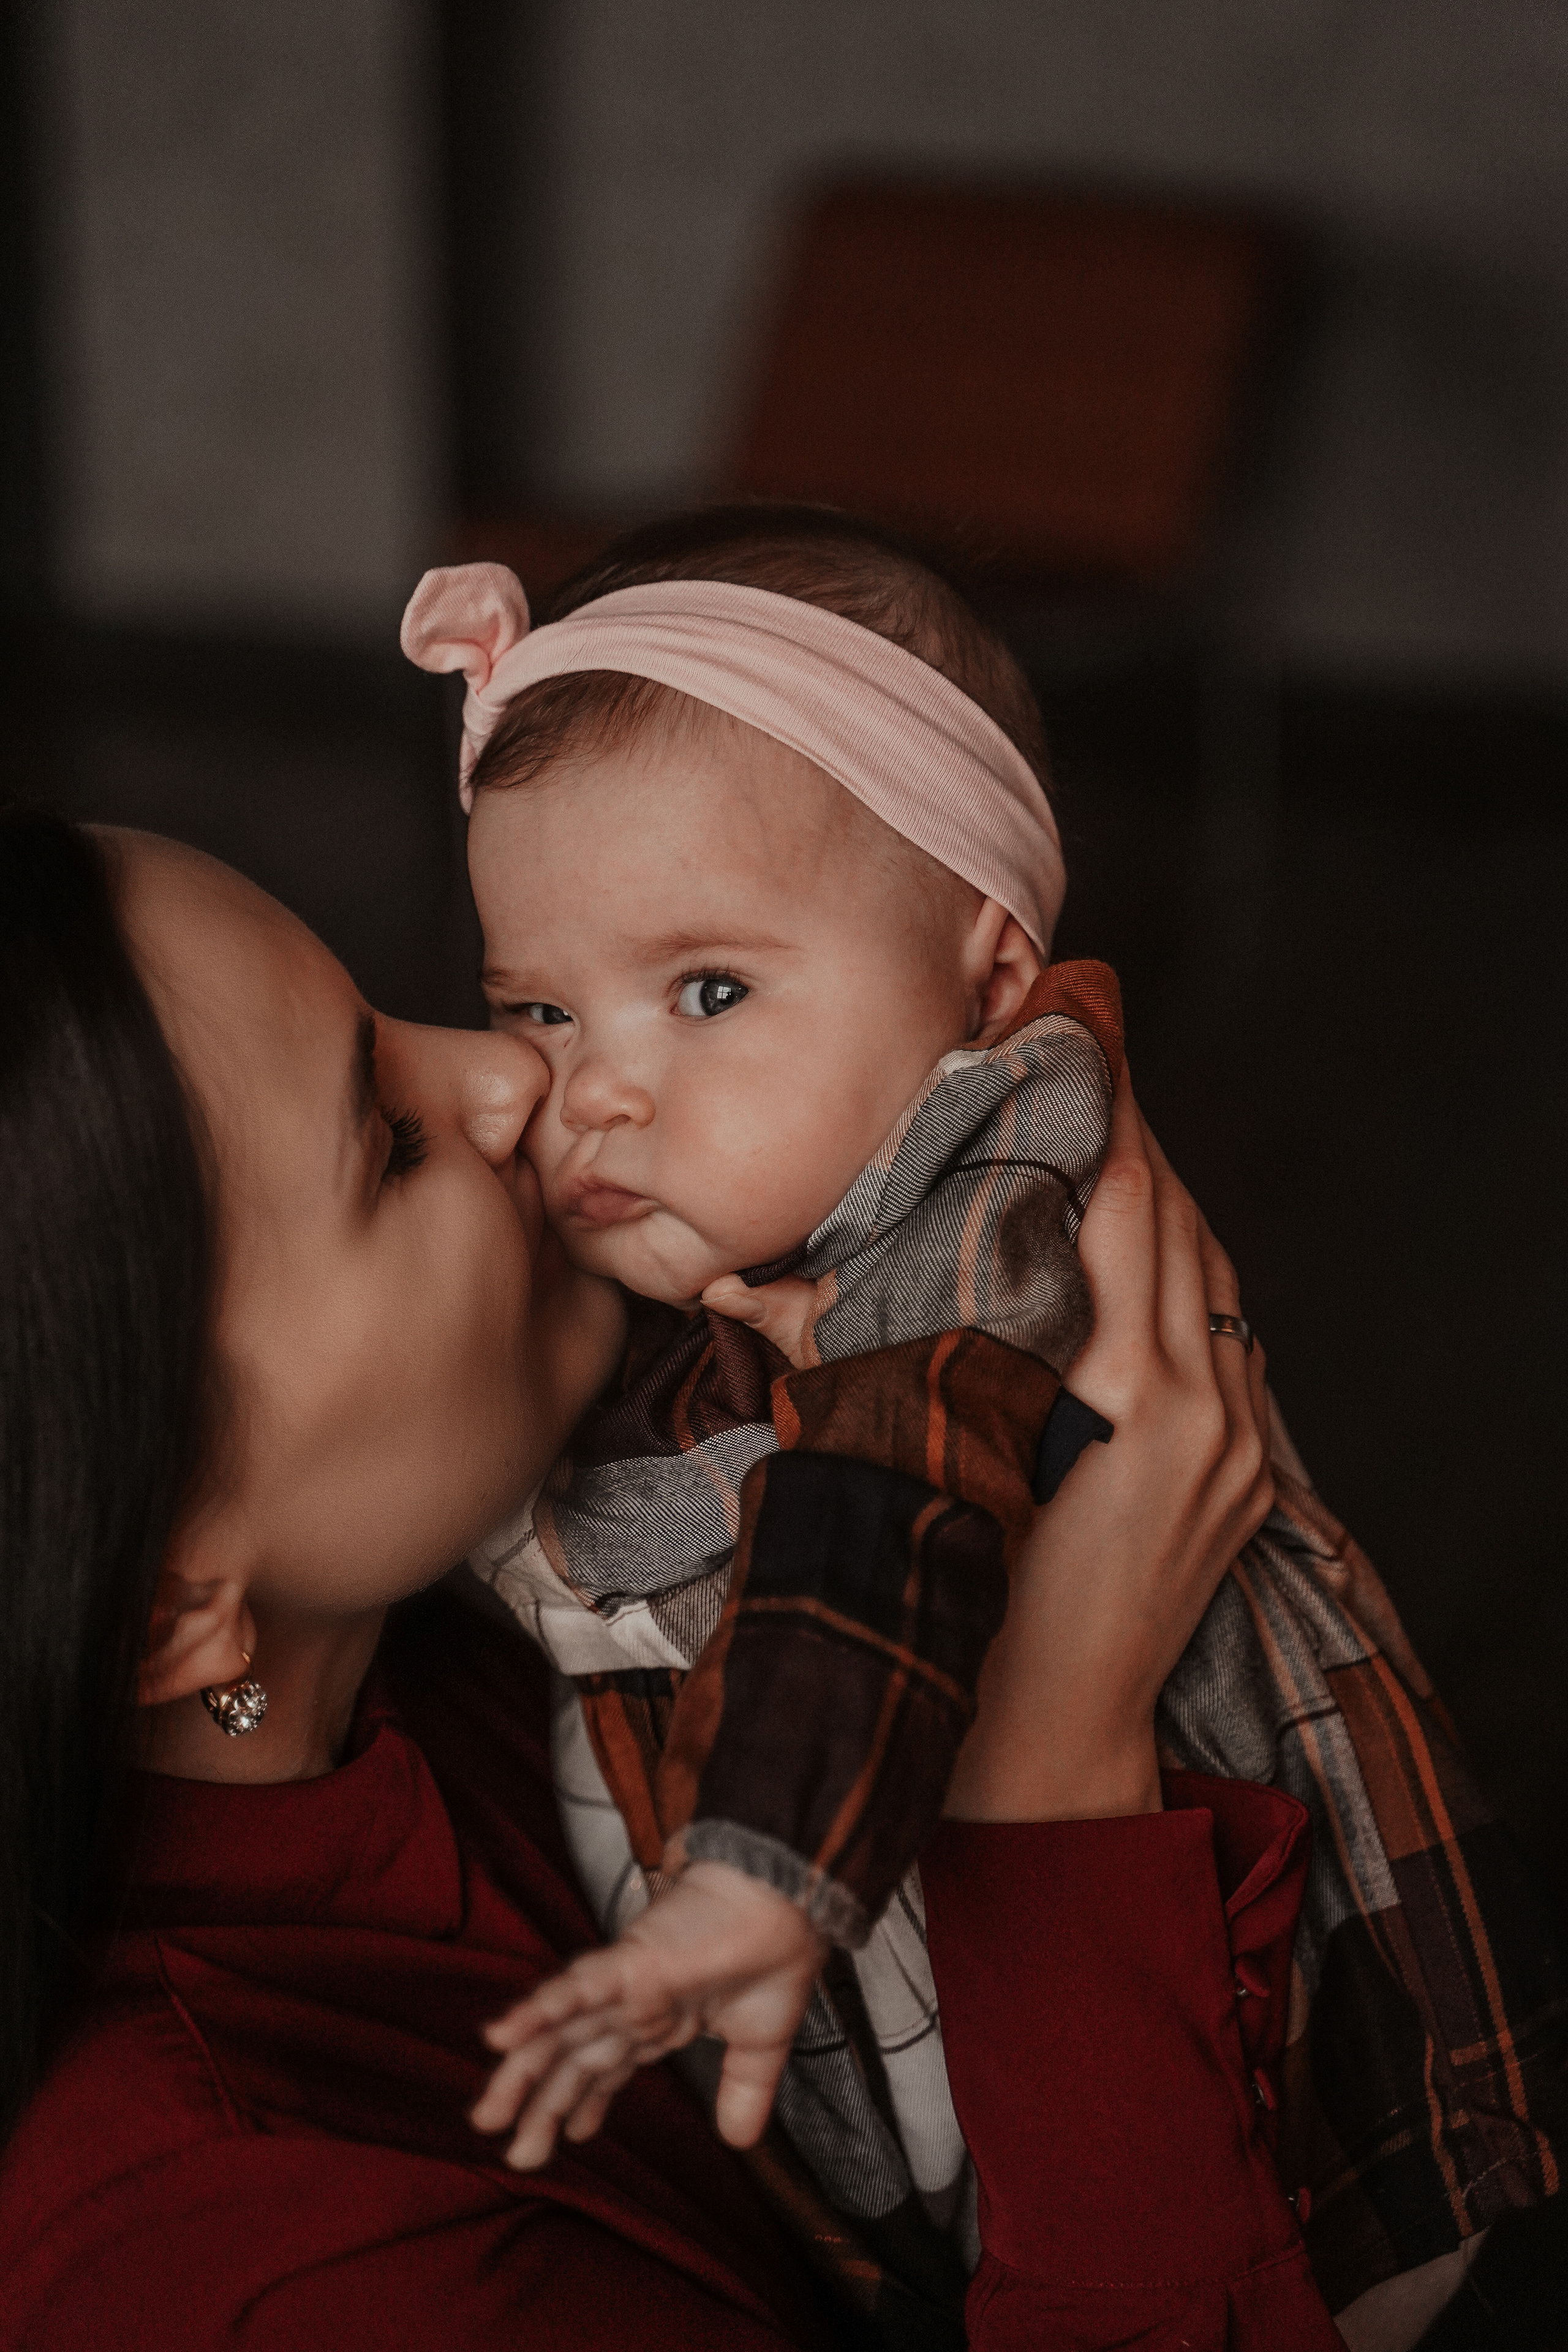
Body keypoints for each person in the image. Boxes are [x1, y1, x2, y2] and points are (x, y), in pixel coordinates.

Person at [400, 506, 1566, 2323]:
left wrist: (763, 1868)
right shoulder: (735, 1231)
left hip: (1291, 2107)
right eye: (540, 1007)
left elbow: (878, 1492)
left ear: (988, 983)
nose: (594, 1091)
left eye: (708, 991)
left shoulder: (984, 1197)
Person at [0, 805, 1353, 2348]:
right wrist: (1046, 1757)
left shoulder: (481, 1630)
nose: (508, 1075)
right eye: (387, 1141)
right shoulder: (256, 2269)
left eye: (379, 1018)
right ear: (171, 1612)